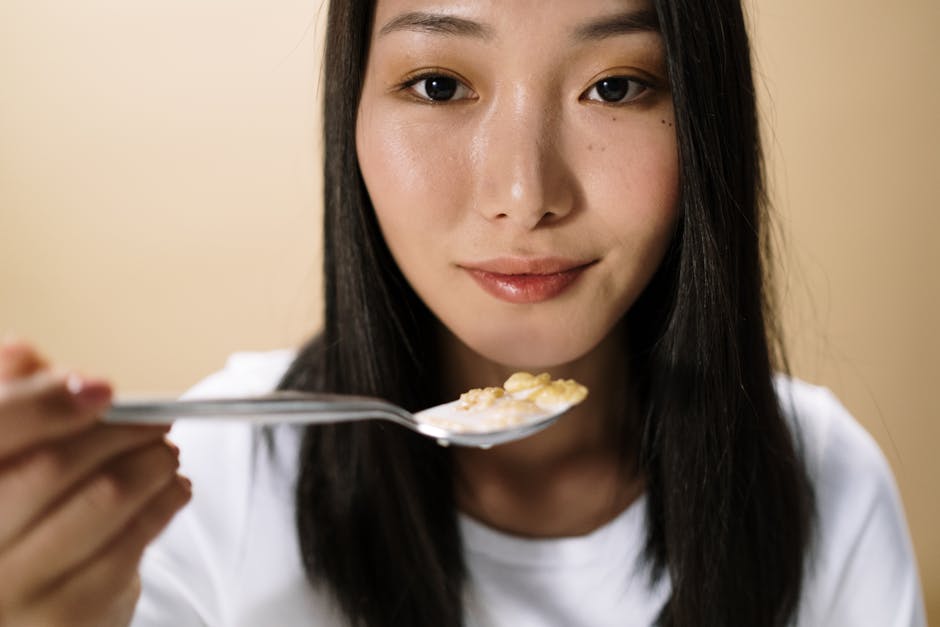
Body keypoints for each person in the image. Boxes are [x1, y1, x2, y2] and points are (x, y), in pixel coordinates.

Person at [0, 0, 926, 625]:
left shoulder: (824, 479)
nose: (525, 194)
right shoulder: (202, 488)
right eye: (439, 85)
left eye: (617, 85)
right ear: (349, 114)